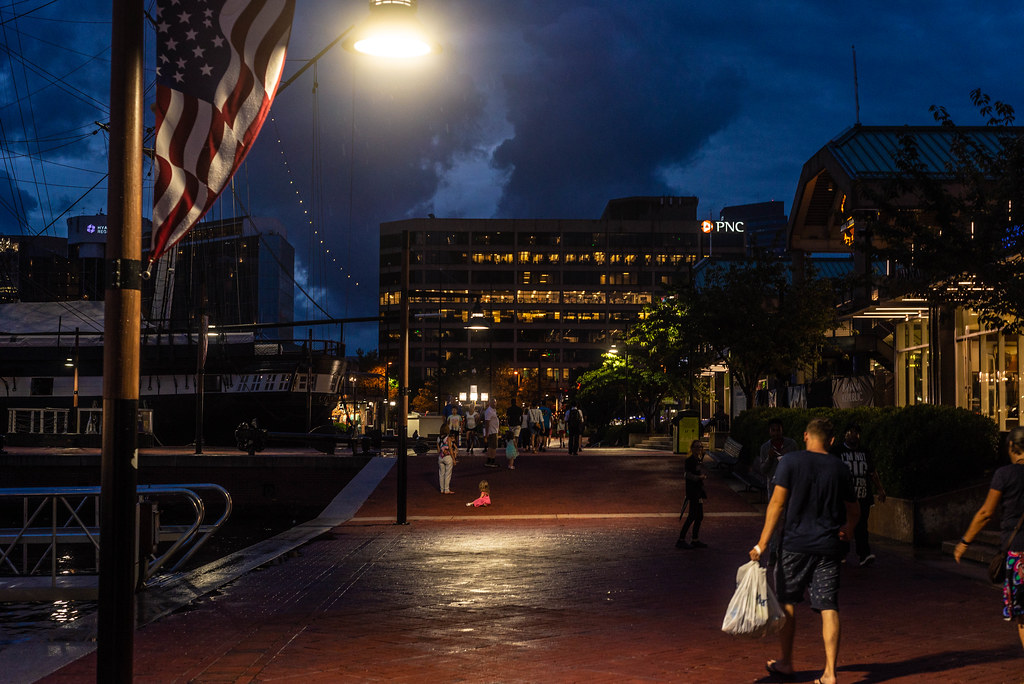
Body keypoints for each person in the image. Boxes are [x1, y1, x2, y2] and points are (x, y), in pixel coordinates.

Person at [749, 417, 858, 684]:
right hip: (828, 547)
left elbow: (776, 504)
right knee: (828, 606)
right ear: (832, 441)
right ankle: (830, 673)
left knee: (788, 602)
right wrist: (849, 529)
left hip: (794, 546)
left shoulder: (790, 462)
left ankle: (787, 662)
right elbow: (854, 509)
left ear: (806, 436)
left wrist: (762, 543)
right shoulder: (840, 468)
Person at [955, 425, 1024, 652]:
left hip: (1017, 553)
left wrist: (965, 543)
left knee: (1023, 615)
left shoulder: (1004, 475)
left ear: (1012, 447)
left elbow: (986, 513)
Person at [835, 424, 886, 566]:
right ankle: (842, 552)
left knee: (862, 526)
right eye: (850, 432)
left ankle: (864, 554)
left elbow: (872, 472)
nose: (853, 435)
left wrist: (880, 489)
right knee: (844, 524)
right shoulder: (838, 451)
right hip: (843, 498)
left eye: (856, 433)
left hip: (862, 495)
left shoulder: (864, 452)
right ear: (845, 435)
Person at [676, 440, 708, 549]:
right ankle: (681, 539)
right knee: (692, 516)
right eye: (697, 447)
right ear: (692, 448)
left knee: (699, 516)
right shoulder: (690, 460)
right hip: (693, 491)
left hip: (698, 491)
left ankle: (695, 539)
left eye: (700, 447)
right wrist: (698, 477)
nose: (699, 449)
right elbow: (687, 474)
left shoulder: (697, 460)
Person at [759, 418, 798, 490]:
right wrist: (769, 458)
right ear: (769, 431)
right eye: (773, 430)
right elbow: (763, 470)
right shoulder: (765, 448)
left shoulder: (791, 444)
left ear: (782, 430)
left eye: (778, 430)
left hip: (789, 484)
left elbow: (797, 464)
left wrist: (788, 457)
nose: (776, 433)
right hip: (773, 485)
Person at [437, 427, 457, 495]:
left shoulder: (438, 438)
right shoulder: (448, 438)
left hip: (440, 457)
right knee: (447, 474)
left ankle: (442, 489)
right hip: (448, 457)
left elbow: (438, 450)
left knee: (441, 474)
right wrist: (454, 459)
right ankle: (446, 489)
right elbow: (450, 449)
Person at [483, 397, 501, 468]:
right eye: (493, 402)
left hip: (494, 430)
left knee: (491, 446)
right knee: (493, 447)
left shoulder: (493, 410)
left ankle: (489, 460)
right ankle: (492, 460)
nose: (495, 403)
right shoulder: (489, 411)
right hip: (492, 431)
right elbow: (487, 422)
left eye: (495, 402)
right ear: (489, 403)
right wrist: (487, 433)